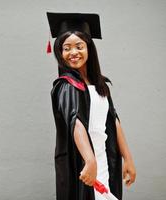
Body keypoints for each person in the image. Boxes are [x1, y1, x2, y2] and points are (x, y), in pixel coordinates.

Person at [48, 13, 136, 200]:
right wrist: (89, 160)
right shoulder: (66, 85)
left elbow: (113, 119)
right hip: (83, 161)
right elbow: (75, 121)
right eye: (66, 48)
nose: (73, 53)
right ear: (59, 52)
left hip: (103, 157)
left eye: (79, 46)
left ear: (89, 48)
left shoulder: (100, 84)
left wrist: (127, 158)